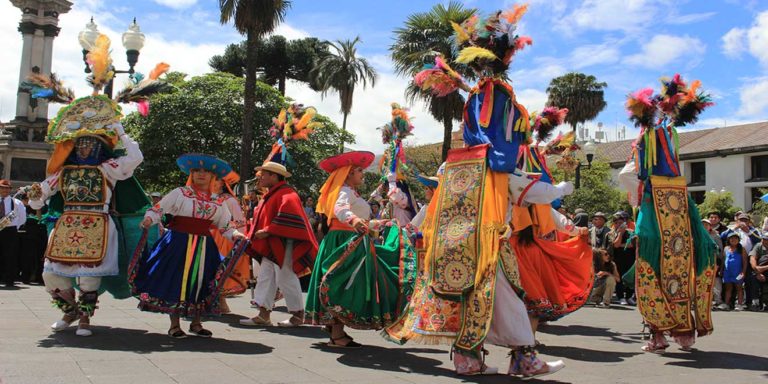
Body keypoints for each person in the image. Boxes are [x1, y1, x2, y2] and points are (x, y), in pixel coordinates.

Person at [386, 7, 570, 378]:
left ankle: (479, 357)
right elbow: (524, 188)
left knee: (488, 297)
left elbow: (438, 200)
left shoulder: (457, 165)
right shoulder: (493, 166)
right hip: (485, 243)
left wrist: (418, 226)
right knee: (500, 295)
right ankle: (518, 356)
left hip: (461, 245)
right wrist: (556, 190)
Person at [619, 75, 716, 353]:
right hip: (676, 203)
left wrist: (638, 202)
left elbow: (633, 175)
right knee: (680, 268)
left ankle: (659, 335)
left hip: (655, 202)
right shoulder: (668, 134)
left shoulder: (649, 136)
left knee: (654, 269)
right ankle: (682, 333)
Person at [306, 151, 416, 348]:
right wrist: (354, 220)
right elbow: (341, 211)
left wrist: (378, 223)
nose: (362, 174)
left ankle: (334, 329)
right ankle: (337, 334)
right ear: (348, 173)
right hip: (345, 242)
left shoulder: (351, 192)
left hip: (351, 239)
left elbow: (359, 220)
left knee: (346, 282)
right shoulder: (344, 192)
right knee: (344, 283)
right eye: (358, 171)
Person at [131, 154, 246, 338]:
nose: (201, 174)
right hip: (177, 243)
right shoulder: (180, 193)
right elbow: (158, 209)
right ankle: (175, 325)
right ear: (191, 174)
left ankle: (196, 323)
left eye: (206, 171)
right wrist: (149, 219)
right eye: (197, 171)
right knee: (176, 280)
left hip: (204, 246)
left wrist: (236, 234)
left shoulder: (217, 201)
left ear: (213, 176)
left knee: (201, 282)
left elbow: (224, 226)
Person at [240, 161, 317, 327]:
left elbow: (290, 215)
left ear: (274, 176)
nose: (259, 178)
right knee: (266, 277)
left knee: (286, 276)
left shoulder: (287, 194)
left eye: (263, 174)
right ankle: (263, 314)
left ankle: (298, 315)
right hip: (271, 244)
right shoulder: (272, 194)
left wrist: (269, 230)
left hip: (284, 243)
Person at [214, 171, 248, 314]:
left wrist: (241, 241)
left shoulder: (230, 200)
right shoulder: (209, 198)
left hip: (225, 238)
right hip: (210, 237)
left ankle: (221, 303)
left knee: (221, 271)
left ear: (222, 183)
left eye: (216, 180)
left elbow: (240, 222)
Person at [0, 179, 26, 287]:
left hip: (10, 231)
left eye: (7, 188)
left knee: (10, 256)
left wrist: (13, 227)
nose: (4, 190)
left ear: (10, 190)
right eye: (2, 188)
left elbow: (22, 218)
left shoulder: (16, 203)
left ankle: (9, 279)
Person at [607, 212, 635, 305]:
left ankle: (629, 297)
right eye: (617, 223)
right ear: (614, 223)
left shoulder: (630, 232)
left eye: (621, 222)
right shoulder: (610, 233)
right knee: (618, 279)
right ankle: (621, 297)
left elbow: (632, 244)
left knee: (630, 278)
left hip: (630, 259)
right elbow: (615, 244)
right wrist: (620, 234)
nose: (619, 224)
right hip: (617, 259)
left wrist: (622, 245)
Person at [721, 232, 747, 311]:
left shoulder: (742, 249)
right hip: (727, 272)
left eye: (735, 238)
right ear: (728, 240)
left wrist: (743, 272)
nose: (733, 240)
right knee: (728, 288)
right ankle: (726, 303)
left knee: (739, 288)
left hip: (737, 272)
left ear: (738, 240)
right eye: (731, 238)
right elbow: (723, 260)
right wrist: (721, 270)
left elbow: (745, 261)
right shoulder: (726, 248)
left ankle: (739, 304)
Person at [702, 219, 724, 308]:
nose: (704, 226)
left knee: (715, 282)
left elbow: (720, 251)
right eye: (703, 224)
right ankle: (704, 301)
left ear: (710, 226)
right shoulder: (696, 235)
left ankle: (717, 300)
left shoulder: (715, 236)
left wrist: (719, 264)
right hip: (701, 262)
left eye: (706, 225)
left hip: (713, 261)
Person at [749, 232, 768, 311]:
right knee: (753, 278)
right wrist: (758, 271)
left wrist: (765, 267)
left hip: (766, 269)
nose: (766, 241)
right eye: (764, 239)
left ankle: (766, 303)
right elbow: (752, 259)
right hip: (759, 271)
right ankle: (755, 302)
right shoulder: (758, 246)